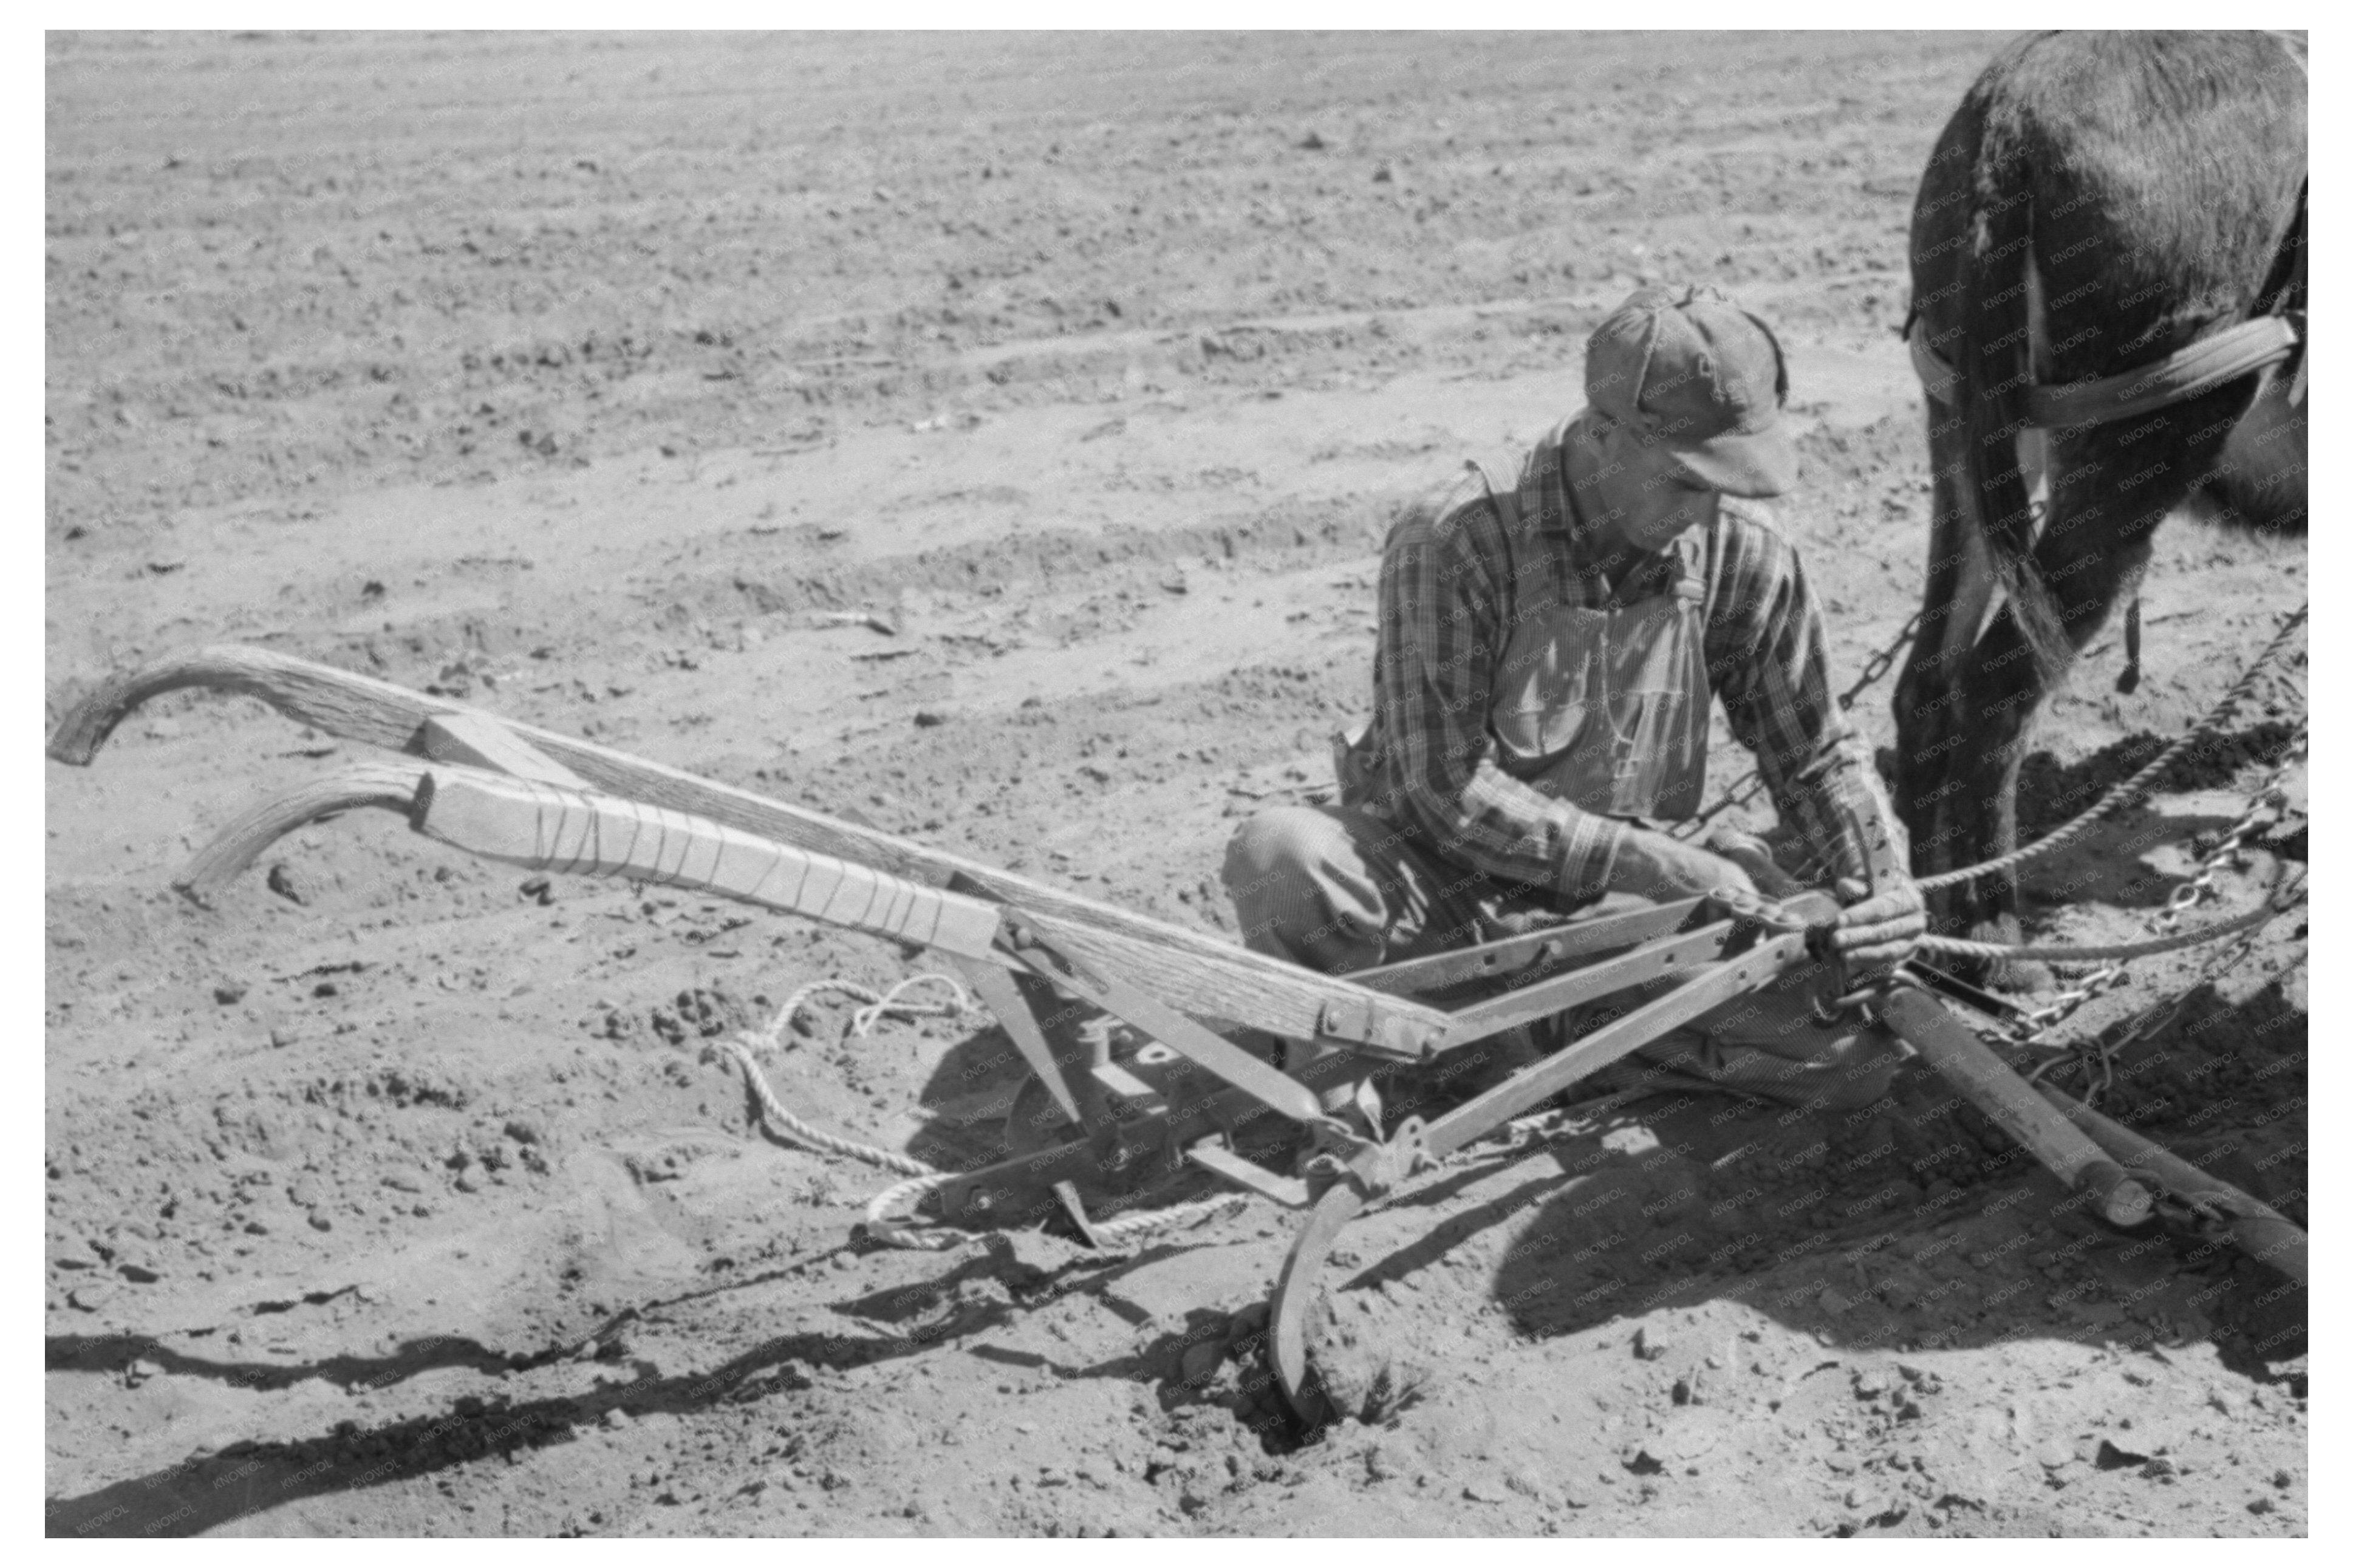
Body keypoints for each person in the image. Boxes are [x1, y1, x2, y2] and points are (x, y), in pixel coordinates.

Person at [1223, 284, 1928, 1114]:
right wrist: (1671, 867)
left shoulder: (1743, 555)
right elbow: (1438, 787)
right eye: (1683, 483)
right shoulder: (1460, 535)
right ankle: (1517, 1047)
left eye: (1724, 486)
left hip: (1613, 921)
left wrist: (1881, 880)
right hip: (1438, 894)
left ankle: (1524, 1047)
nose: (1705, 510)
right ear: (1599, 437)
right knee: (1282, 857)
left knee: (1850, 1059)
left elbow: (1814, 755)